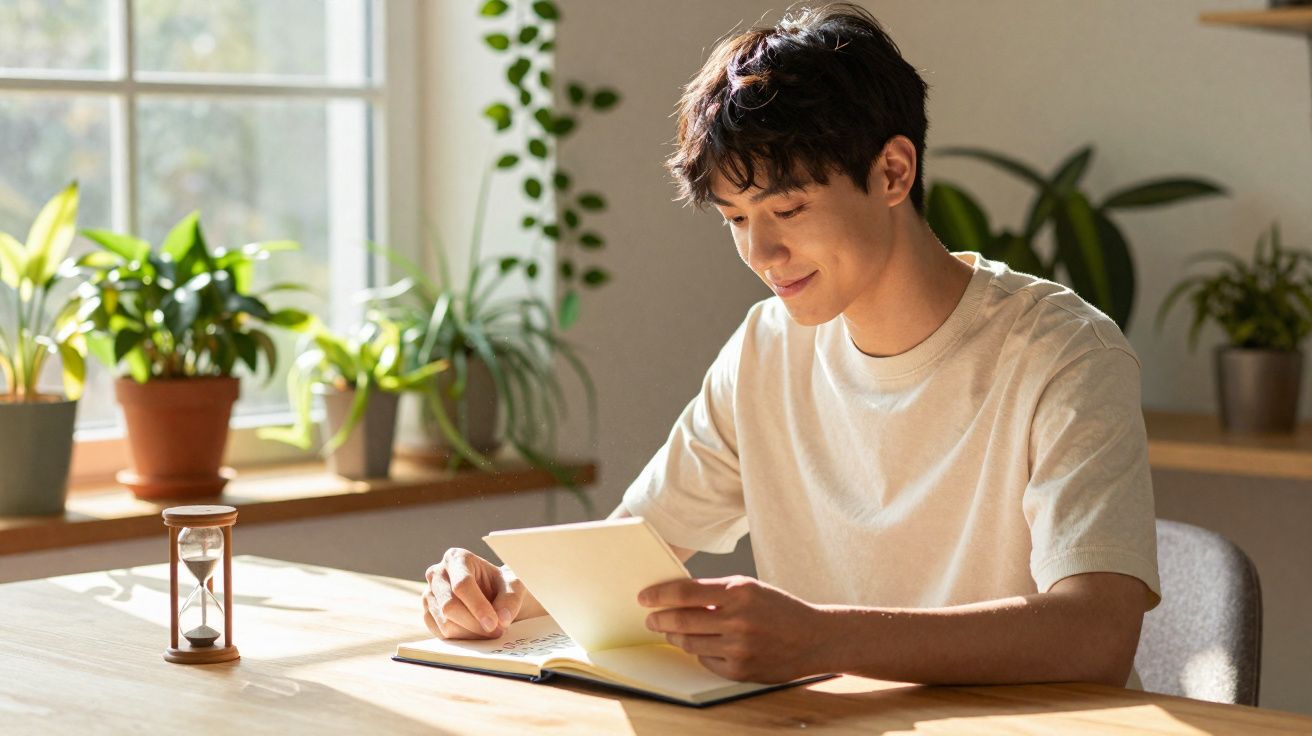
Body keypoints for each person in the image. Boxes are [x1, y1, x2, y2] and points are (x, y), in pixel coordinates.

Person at [422, 3, 1160, 689]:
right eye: (737, 219)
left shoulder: (1065, 354)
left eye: (789, 208)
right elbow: (635, 554)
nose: (763, 252)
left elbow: (1095, 633)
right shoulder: (764, 350)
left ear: (894, 172)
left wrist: (826, 641)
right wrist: (499, 593)